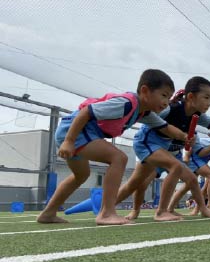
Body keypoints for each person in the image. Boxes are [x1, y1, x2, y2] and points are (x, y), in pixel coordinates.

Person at [37, 69, 184, 225]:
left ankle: (48, 213)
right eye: (163, 95)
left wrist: (184, 137)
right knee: (118, 158)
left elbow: (165, 128)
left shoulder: (144, 113)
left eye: (168, 97)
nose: (166, 102)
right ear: (145, 91)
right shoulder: (127, 103)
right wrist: (69, 141)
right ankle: (106, 213)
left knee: (81, 176)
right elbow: (86, 112)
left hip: (81, 134)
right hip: (75, 131)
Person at [118, 76, 210, 221]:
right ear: (191, 97)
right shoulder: (170, 109)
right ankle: (156, 211)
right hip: (148, 142)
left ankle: (204, 210)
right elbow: (149, 118)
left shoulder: (198, 116)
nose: (209, 103)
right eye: (206, 98)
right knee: (143, 182)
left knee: (192, 179)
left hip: (170, 151)